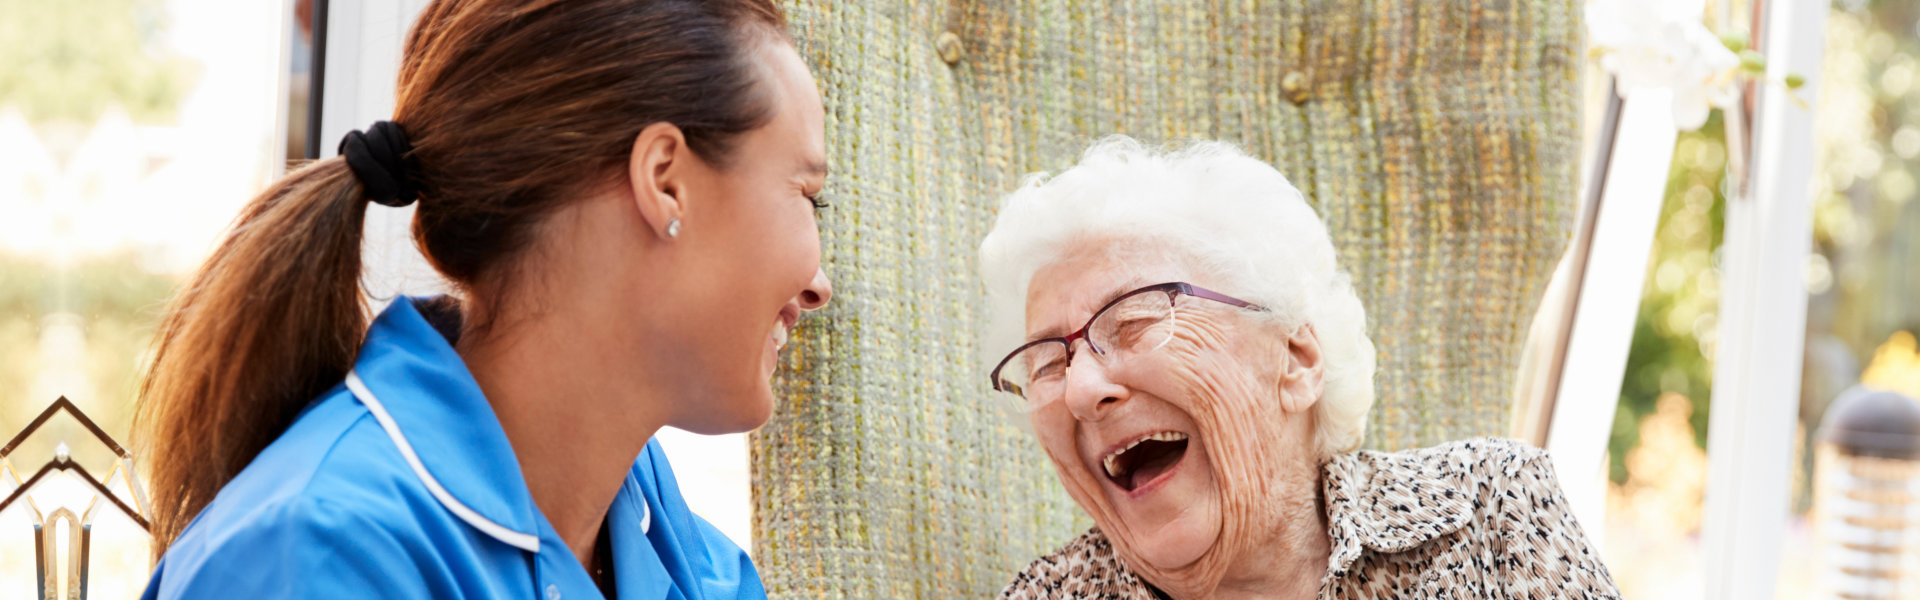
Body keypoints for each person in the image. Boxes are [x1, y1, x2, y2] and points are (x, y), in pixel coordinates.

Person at [135, 0, 831, 597]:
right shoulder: (316, 553)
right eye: (806, 195)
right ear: (665, 181)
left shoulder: (667, 544)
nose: (819, 287)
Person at [979, 138, 1620, 599]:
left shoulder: (1489, 512)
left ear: (1295, 360)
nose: (1081, 389)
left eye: (1136, 320)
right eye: (1048, 363)